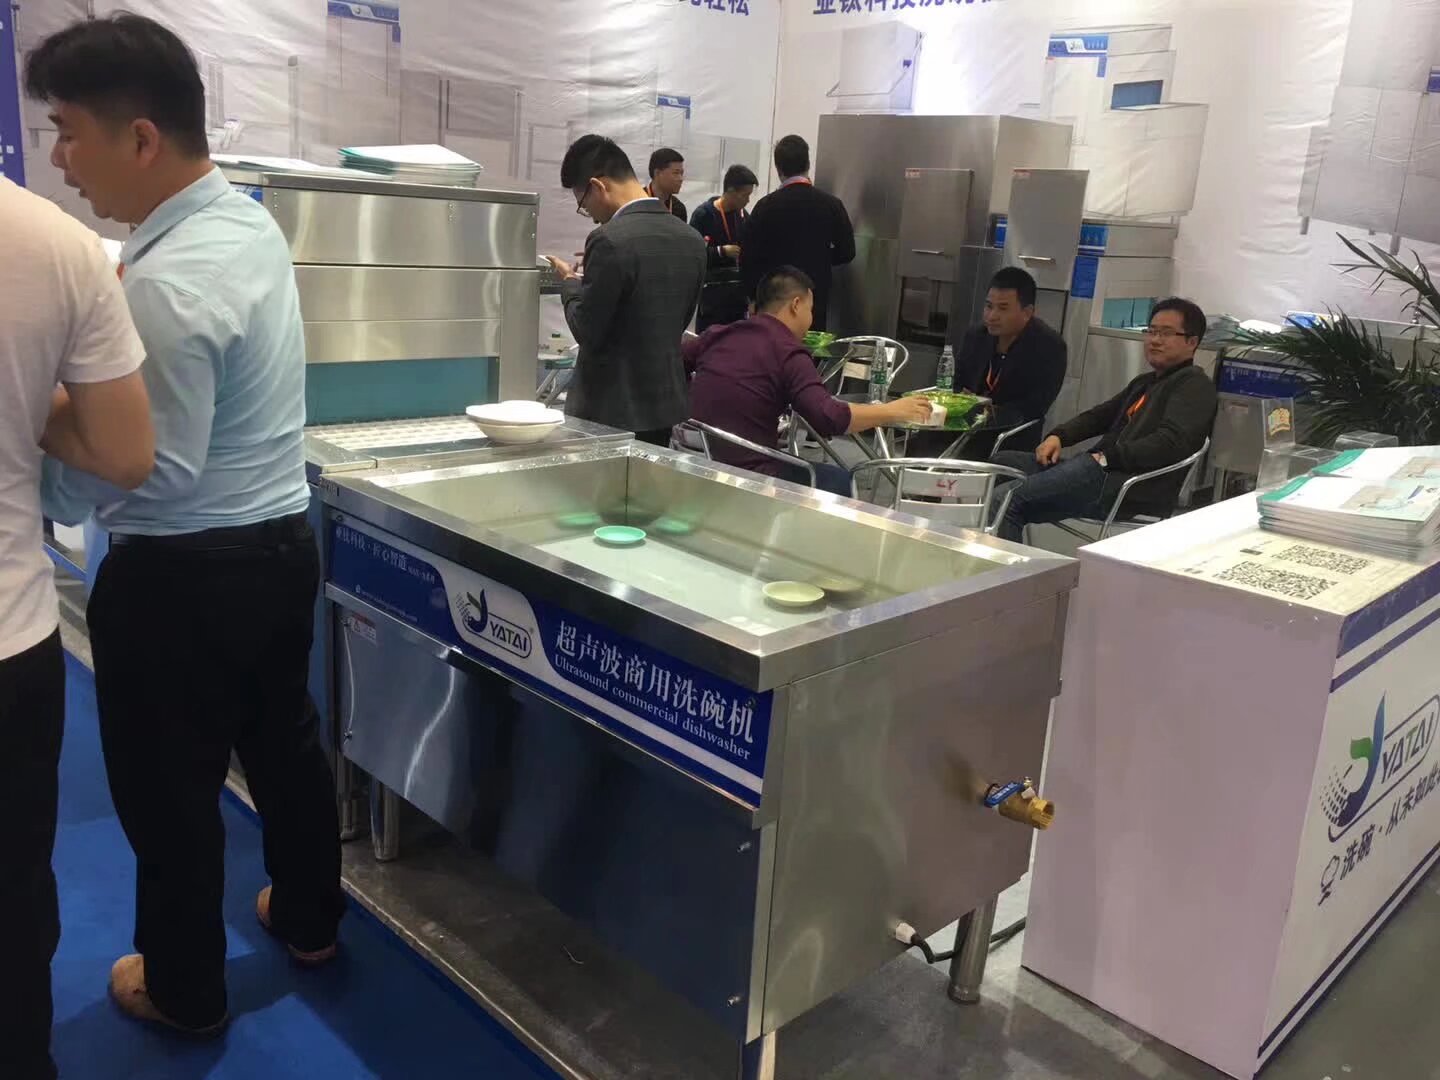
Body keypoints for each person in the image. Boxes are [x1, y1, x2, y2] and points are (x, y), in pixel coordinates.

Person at [26, 12, 345, 1036]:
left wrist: (32, 415)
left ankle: (183, 989)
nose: (59, 160)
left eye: (68, 133)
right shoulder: (241, 223)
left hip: (181, 578)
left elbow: (148, 464)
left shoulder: (165, 284)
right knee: (284, 742)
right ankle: (311, 918)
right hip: (279, 541)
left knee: (170, 792)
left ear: (141, 138)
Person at [0, 176, 154, 1080]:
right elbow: (125, 452)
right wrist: (26, 412)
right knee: (14, 891)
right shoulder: (54, 243)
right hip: (9, 637)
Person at [685, 267, 931, 496]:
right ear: (795, 305)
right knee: (839, 481)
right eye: (810, 309)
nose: (811, 318)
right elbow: (829, 418)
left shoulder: (718, 334)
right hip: (752, 477)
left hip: (698, 461)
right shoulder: (787, 351)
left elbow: (674, 361)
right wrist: (892, 410)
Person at [992, 298, 1217, 543]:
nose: (1155, 340)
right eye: (1151, 331)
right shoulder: (1146, 382)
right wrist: (1059, 435)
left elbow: (1169, 443)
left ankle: (1005, 566)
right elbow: (1100, 416)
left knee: (1005, 500)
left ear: (1192, 342)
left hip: (1125, 486)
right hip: (1098, 470)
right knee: (999, 464)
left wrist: (1107, 458)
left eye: (1166, 333)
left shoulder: (1194, 386)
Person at [546, 135, 707, 445]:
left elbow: (587, 330)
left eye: (584, 205)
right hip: (664, 406)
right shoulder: (692, 239)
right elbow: (678, 319)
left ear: (598, 186)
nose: (592, 216)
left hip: (608, 408)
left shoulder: (608, 239)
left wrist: (569, 283)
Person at [741, 134, 855, 332]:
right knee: (809, 348)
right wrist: (820, 258)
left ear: (778, 169)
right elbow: (847, 252)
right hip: (813, 299)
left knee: (773, 347)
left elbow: (748, 258)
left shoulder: (765, 207)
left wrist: (753, 298)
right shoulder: (831, 205)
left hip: (773, 301)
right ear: (808, 164)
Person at [953, 267, 1067, 455]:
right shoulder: (976, 336)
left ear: (1027, 312)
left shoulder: (1049, 346)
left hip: (1012, 436)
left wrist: (988, 409)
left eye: (1003, 308)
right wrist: (963, 399)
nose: (992, 316)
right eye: (989, 306)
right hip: (966, 427)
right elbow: (957, 383)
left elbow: (1035, 406)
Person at [689, 164, 758, 330]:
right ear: (731, 191)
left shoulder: (743, 216)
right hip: (712, 297)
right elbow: (693, 254)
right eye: (745, 195)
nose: (748, 200)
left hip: (737, 296)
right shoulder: (704, 215)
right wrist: (721, 251)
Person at [645, 147, 687, 221]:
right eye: (676, 173)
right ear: (657, 173)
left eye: (681, 173)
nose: (681, 179)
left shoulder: (678, 209)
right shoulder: (636, 202)